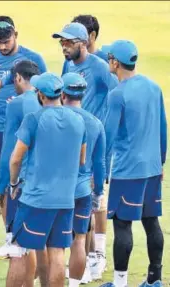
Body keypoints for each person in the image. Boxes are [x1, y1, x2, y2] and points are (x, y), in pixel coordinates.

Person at [0, 15, 47, 260]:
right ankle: (10, 237)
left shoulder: (33, 59)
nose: (2, 46)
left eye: (6, 41)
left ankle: (25, 234)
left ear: (16, 33)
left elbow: (47, 91)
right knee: (6, 184)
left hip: (27, 131)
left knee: (25, 180)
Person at [6, 72, 86, 287]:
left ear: (40, 95)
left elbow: (15, 159)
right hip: (65, 200)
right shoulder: (78, 121)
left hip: (35, 199)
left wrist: (13, 184)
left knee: (19, 251)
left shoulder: (33, 119)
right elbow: (81, 159)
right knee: (57, 252)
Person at [99, 40, 166, 287]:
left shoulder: (117, 94)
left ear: (116, 62)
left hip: (127, 172)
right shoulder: (153, 87)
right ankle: (155, 279)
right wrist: (161, 163)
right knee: (151, 221)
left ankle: (119, 283)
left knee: (122, 225)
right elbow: (163, 129)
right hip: (152, 169)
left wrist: (101, 169)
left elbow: (108, 135)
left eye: (109, 57)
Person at [65, 14, 110, 280]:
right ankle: (86, 258)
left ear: (84, 42)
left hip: (95, 138)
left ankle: (98, 255)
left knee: (95, 196)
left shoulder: (100, 67)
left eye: (68, 43)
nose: (64, 48)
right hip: (72, 138)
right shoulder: (68, 65)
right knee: (82, 200)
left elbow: (114, 97)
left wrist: (103, 130)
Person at [0, 60, 41, 287]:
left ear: (19, 78)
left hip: (20, 184)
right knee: (34, 243)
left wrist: (1, 188)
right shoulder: (50, 102)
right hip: (43, 183)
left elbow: (9, 151)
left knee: (16, 247)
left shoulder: (16, 104)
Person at [61, 73, 106, 286]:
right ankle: (74, 284)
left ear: (62, 93)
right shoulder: (96, 123)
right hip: (82, 192)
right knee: (80, 240)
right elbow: (99, 164)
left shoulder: (52, 117)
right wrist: (98, 192)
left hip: (55, 191)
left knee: (55, 245)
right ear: (83, 93)